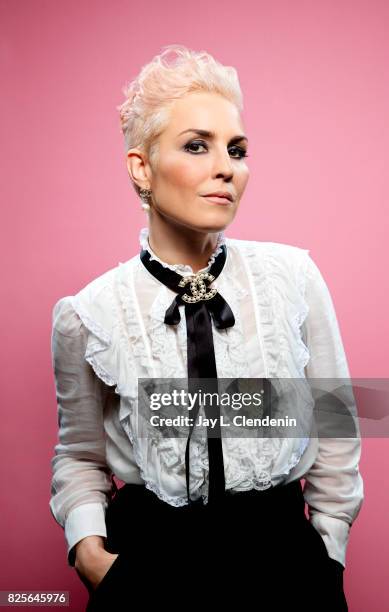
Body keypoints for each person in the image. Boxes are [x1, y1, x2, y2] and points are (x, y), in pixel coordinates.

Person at [49, 44, 364, 611]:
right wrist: (91, 554)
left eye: (237, 150)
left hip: (283, 559)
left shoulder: (293, 277)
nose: (227, 167)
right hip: (148, 561)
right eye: (197, 145)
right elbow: (79, 455)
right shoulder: (88, 312)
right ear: (141, 167)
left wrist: (328, 548)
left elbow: (335, 421)